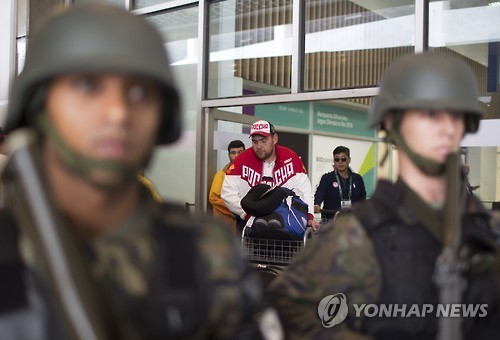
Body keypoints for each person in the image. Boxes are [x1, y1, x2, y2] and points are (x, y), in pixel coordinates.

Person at [0, 4, 272, 339]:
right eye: (88, 86)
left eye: (140, 92)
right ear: (40, 107)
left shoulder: (204, 250)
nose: (118, 113)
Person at [267, 52, 500, 339]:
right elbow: (287, 315)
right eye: (430, 114)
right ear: (392, 123)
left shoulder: (488, 233)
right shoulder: (355, 237)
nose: (447, 127)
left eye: (457, 115)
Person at [221, 120, 318, 236]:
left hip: (286, 225)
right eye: (255, 141)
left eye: (263, 140)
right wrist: (248, 215)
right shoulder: (241, 161)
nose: (259, 146)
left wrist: (308, 216)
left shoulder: (292, 158)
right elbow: (228, 194)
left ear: (274, 139)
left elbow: (305, 192)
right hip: (249, 226)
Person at [313, 145, 366, 221]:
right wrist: (316, 205)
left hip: (352, 222)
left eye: (343, 159)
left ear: (349, 160)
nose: (340, 162)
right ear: (334, 161)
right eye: (337, 159)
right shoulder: (326, 178)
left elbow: (362, 200)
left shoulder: (357, 179)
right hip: (330, 222)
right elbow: (320, 193)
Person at [209, 140, 245, 231]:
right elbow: (214, 198)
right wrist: (237, 210)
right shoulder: (221, 175)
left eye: (240, 152)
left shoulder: (250, 174)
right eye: (233, 153)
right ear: (229, 155)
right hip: (227, 223)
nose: (236, 155)